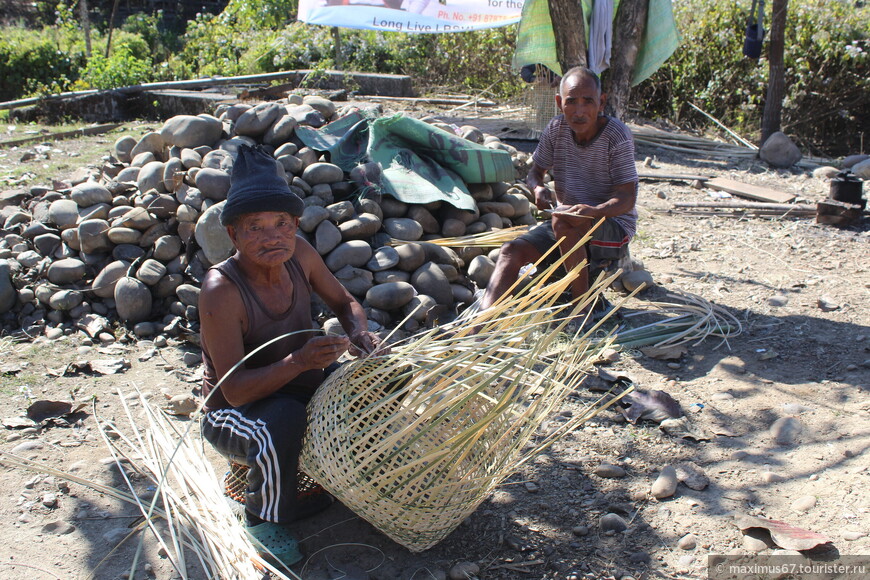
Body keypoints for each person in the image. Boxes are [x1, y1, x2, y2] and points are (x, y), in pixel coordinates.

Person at [198, 145, 383, 569]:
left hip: (296, 384)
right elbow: (236, 390)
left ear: (296, 224)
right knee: (280, 419)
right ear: (233, 235)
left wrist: (359, 333)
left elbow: (345, 302)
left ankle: (345, 478)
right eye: (255, 227)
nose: (271, 237)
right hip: (233, 412)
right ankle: (262, 518)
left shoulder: (299, 253)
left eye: (281, 224)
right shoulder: (221, 290)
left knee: (378, 384)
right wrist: (300, 361)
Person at [481, 66, 638, 318]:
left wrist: (594, 212)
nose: (579, 111)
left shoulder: (616, 135)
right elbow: (534, 172)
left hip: (612, 224)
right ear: (559, 102)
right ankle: (479, 323)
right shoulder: (556, 129)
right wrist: (538, 187)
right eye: (571, 102)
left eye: (588, 102)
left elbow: (627, 199)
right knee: (511, 251)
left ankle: (581, 310)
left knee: (563, 222)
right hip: (566, 222)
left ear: (601, 102)